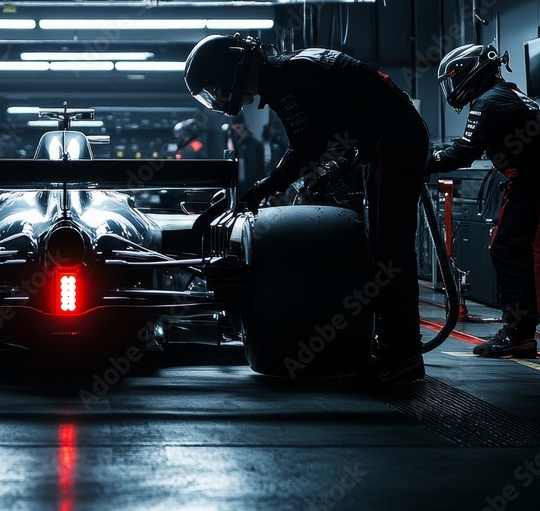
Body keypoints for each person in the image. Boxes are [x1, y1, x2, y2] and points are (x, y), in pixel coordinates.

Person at [184, 34, 431, 381]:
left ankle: (403, 353)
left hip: (394, 144)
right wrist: (338, 165)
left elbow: (306, 148)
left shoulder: (288, 77)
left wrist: (261, 190)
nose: (220, 96)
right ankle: (393, 345)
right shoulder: (287, 72)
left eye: (214, 87)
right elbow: (341, 121)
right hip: (382, 143)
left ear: (229, 69)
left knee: (390, 251)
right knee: (382, 249)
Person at [427, 44, 540, 358]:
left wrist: (421, 160)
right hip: (533, 174)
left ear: (473, 71)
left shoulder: (490, 101)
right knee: (512, 247)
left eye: (455, 78)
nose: (453, 86)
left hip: (534, 177)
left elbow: (463, 152)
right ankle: (519, 331)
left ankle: (520, 333)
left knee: (512, 247)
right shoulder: (503, 93)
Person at [224, 111, 265, 196]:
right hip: (236, 184)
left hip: (251, 184)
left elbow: (260, 166)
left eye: (239, 123)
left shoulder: (255, 144)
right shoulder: (229, 142)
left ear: (243, 124)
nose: (237, 126)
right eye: (235, 124)